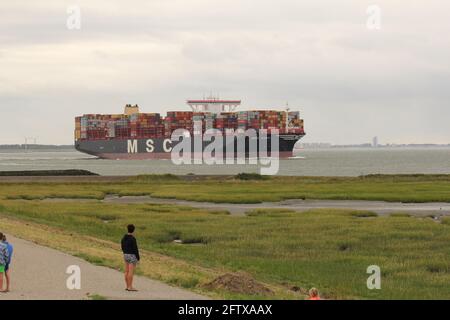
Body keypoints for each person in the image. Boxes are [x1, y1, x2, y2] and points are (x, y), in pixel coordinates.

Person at [121, 224, 140, 291]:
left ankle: (127, 286)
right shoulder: (133, 238)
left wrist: (125, 252)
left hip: (125, 255)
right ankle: (130, 287)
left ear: (127, 229)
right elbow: (135, 249)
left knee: (126, 271)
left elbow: (122, 246)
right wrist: (138, 258)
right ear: (133, 230)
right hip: (132, 256)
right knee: (131, 272)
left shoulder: (124, 237)